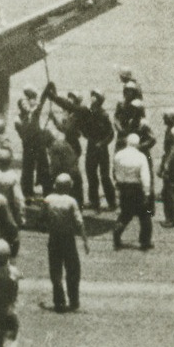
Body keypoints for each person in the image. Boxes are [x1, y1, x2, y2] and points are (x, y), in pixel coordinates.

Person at [42, 174, 88, 313]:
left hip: (54, 238)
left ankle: (59, 301)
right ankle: (73, 300)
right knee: (73, 270)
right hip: (68, 239)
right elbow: (79, 222)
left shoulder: (48, 199)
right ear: (69, 187)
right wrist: (85, 240)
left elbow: (42, 217)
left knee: (55, 270)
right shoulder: (71, 201)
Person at [112, 133, 153, 250]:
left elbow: (115, 171)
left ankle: (117, 233)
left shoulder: (118, 155)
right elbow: (145, 176)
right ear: (137, 144)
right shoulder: (141, 157)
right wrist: (147, 192)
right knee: (145, 215)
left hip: (123, 187)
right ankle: (145, 241)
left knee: (125, 213)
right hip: (136, 188)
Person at [83, 90, 117, 210]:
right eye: (92, 95)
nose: (92, 98)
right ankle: (93, 201)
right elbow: (84, 128)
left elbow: (111, 133)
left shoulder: (104, 115)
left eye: (95, 96)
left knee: (104, 176)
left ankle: (112, 203)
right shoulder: (89, 112)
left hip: (101, 149)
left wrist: (102, 143)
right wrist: (87, 136)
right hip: (91, 146)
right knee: (91, 174)